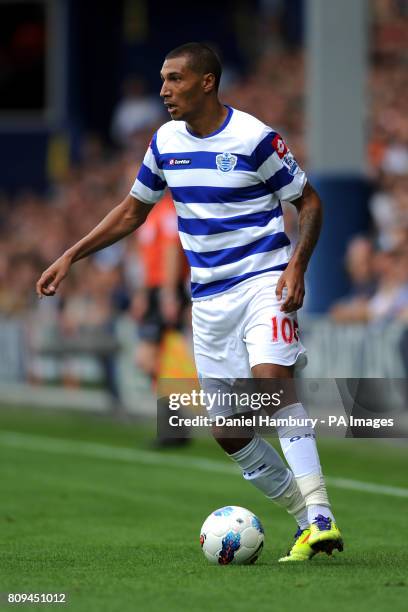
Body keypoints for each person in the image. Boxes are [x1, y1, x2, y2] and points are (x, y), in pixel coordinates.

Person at [36, 42, 343, 562]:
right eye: (162, 79)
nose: (164, 90)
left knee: (273, 386)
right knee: (228, 432)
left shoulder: (254, 139)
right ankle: (301, 518)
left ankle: (320, 515)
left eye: (175, 79)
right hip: (208, 302)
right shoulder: (164, 142)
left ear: (206, 82)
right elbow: (134, 211)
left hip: (261, 284)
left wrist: (296, 266)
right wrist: (72, 254)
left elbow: (308, 200)